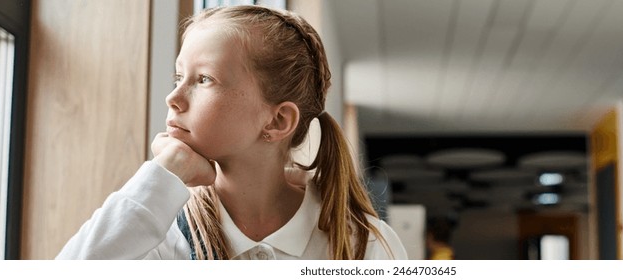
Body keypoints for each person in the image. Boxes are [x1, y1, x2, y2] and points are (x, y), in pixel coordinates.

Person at [56, 5, 407, 260]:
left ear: (277, 121)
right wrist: (165, 173)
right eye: (179, 77)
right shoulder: (155, 230)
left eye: (204, 79)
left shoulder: (367, 248)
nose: (173, 97)